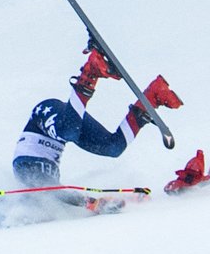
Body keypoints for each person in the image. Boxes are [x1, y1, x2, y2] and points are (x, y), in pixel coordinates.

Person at [12, 40, 183, 213]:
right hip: (68, 124)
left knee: (68, 132)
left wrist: (93, 203)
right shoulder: (49, 188)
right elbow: (61, 193)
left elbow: (56, 194)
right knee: (113, 148)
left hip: (44, 116)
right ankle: (150, 100)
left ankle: (90, 71)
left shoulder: (29, 180)